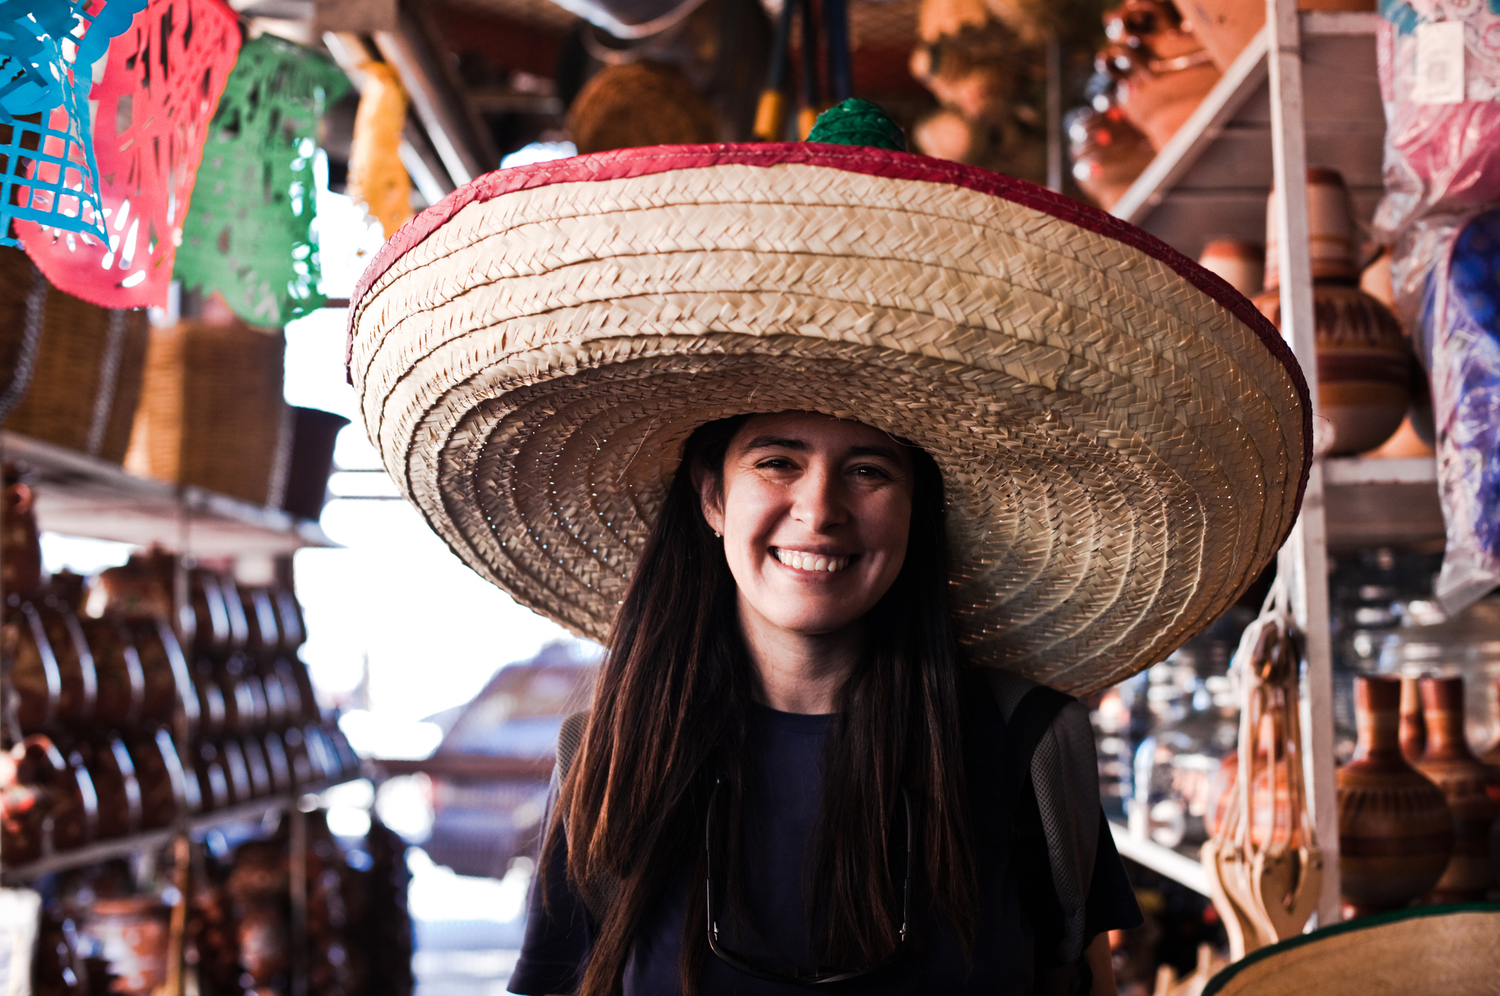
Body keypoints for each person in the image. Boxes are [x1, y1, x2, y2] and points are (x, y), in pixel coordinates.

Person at [344, 101, 1310, 996]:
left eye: (869, 471)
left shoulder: (1027, 749)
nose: (820, 511)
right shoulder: (608, 757)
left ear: (916, 511)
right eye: (777, 460)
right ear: (712, 496)